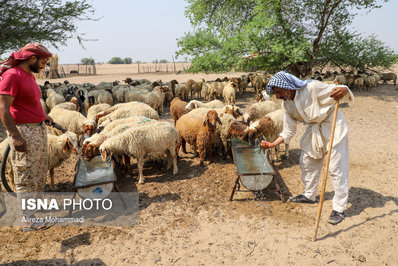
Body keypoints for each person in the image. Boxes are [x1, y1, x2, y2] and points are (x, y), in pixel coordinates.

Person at [260, 71, 353, 225]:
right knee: (307, 162)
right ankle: (309, 195)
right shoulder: (286, 104)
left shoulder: (312, 88)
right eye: (276, 93)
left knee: (336, 168)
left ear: (288, 87)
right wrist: (273, 144)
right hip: (313, 130)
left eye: (279, 92)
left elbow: (340, 89)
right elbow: (289, 130)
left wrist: (344, 90)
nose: (278, 96)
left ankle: (339, 208)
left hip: (333, 126)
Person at [0, 43, 54, 231]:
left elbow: (30, 102)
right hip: (24, 132)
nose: (43, 66)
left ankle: (32, 213)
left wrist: (43, 116)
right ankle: (28, 221)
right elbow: (3, 109)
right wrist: (15, 136)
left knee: (38, 173)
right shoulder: (12, 76)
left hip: (37, 130)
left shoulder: (28, 76)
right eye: (42, 62)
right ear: (32, 59)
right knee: (25, 176)